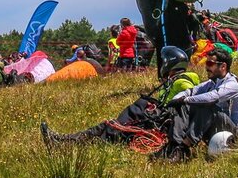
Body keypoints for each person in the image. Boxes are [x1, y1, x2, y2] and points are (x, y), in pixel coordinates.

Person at [40, 46, 198, 148]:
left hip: (155, 126)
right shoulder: (173, 82)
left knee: (110, 130)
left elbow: (184, 110)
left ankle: (65, 143)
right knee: (106, 126)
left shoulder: (184, 83)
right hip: (150, 121)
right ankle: (65, 140)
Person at [162, 47, 238, 160]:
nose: (206, 67)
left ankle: (185, 146)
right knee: (184, 105)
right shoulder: (212, 82)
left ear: (223, 66)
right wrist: (175, 100)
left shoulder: (232, 84)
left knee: (207, 106)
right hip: (220, 129)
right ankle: (175, 146)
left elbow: (212, 97)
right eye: (206, 63)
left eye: (210, 63)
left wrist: (186, 99)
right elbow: (190, 91)